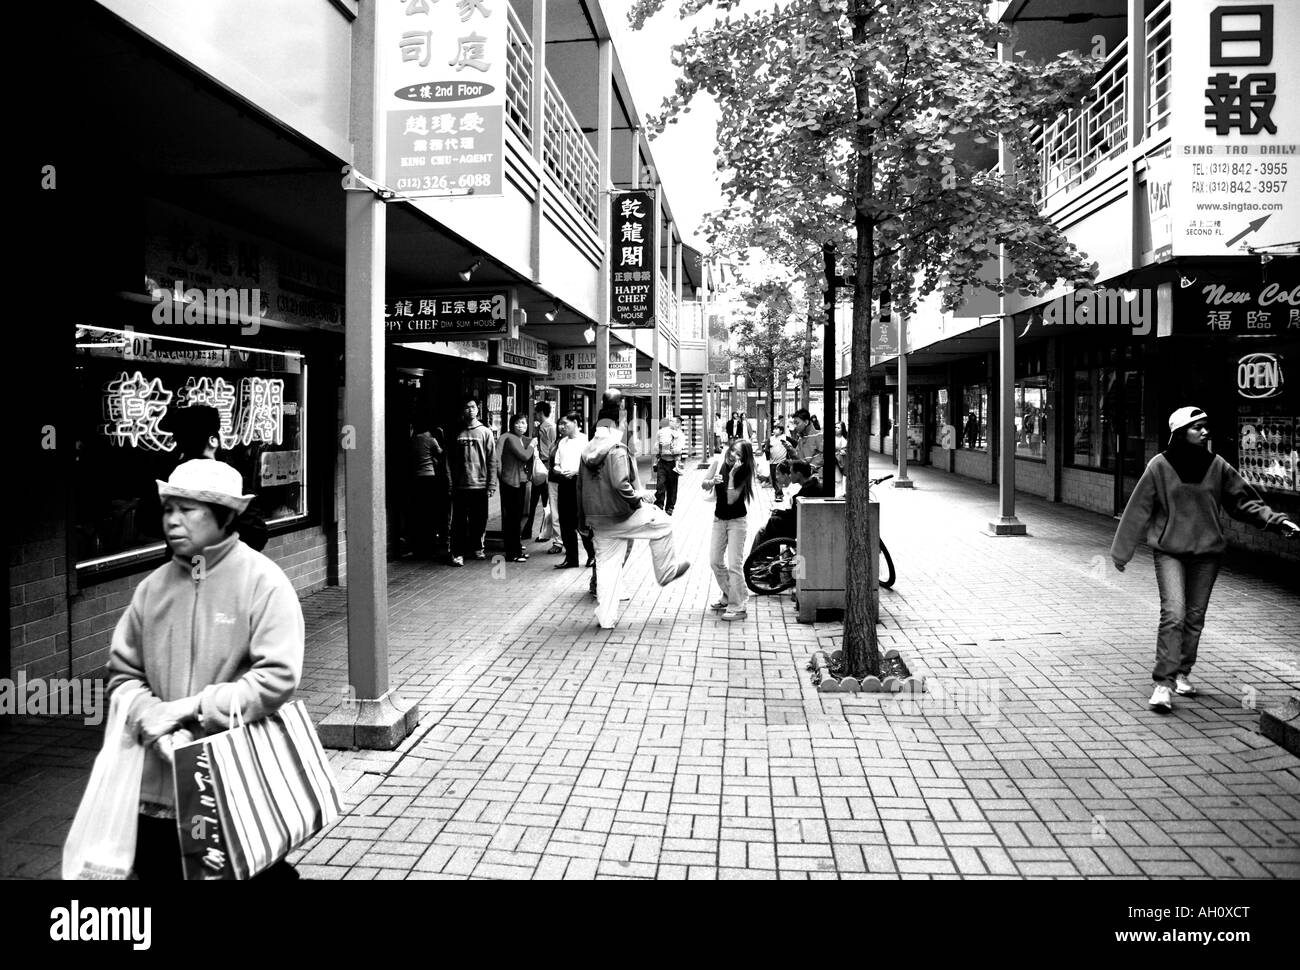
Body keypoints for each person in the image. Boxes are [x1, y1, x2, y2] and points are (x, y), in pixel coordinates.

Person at [106, 458, 305, 880]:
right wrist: (152, 720)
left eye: (187, 509)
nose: (172, 521)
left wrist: (194, 709)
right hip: (155, 794)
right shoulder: (151, 589)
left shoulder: (263, 582)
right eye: (168, 509)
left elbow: (277, 677)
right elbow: (123, 676)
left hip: (234, 784)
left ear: (224, 515)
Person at [1111, 407, 1299, 712]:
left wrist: (1277, 521)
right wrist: (1122, 553)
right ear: (1180, 431)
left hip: (1206, 555)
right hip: (1170, 551)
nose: (1205, 432)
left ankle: (1182, 672)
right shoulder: (1158, 466)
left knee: (1194, 617)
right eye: (1197, 427)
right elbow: (1138, 510)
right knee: (1174, 613)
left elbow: (1244, 502)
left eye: (1205, 427)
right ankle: (1163, 684)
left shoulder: (1217, 466)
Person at [578, 390, 690, 629]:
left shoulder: (587, 450)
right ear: (617, 424)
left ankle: (606, 619)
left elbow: (580, 488)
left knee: (607, 567)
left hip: (598, 521)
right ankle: (666, 571)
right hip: (621, 514)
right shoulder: (616, 449)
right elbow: (621, 483)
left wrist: (582, 520)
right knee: (663, 523)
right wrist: (639, 500)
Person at [160, 405, 270, 552]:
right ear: (213, 440)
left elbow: (148, 523)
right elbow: (256, 534)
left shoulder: (173, 476)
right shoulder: (226, 477)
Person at [704, 438, 757, 621]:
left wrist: (732, 476)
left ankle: (739, 605)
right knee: (715, 561)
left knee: (735, 564)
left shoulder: (744, 471)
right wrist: (711, 482)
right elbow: (703, 484)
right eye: (733, 450)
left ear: (744, 458)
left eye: (739, 454)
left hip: (737, 522)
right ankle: (729, 595)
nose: (733, 455)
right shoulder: (718, 462)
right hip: (719, 520)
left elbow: (731, 499)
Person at [448, 398, 498, 566]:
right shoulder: (457, 432)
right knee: (459, 521)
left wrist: (491, 484)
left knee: (479, 519)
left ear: (478, 409)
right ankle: (457, 553)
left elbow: (492, 460)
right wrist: (451, 481)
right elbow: (451, 459)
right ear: (463, 410)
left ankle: (477, 547)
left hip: (480, 483)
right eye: (467, 407)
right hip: (461, 484)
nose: (470, 410)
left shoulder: (485, 432)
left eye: (473, 407)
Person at [551, 411, 596, 569]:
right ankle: (571, 558)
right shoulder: (562, 442)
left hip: (580, 483)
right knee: (565, 522)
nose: (561, 427)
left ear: (576, 423)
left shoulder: (586, 440)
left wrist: (576, 471)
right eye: (560, 424)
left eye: (565, 424)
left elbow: (592, 463)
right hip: (564, 483)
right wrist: (558, 470)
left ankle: (592, 555)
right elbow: (556, 463)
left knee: (582, 521)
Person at [752, 459, 822, 547]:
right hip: (803, 523)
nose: (790, 475)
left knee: (769, 525)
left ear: (798, 474)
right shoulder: (811, 486)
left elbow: (795, 516)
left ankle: (764, 555)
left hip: (800, 527)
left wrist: (780, 513)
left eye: (791, 473)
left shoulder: (805, 491)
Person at [496, 414, 536, 563]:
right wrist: (532, 446)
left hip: (517, 482)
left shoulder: (515, 438)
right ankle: (512, 553)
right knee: (512, 518)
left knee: (516, 517)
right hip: (511, 483)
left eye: (524, 423)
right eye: (518, 423)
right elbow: (524, 456)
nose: (521, 426)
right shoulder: (510, 438)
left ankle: (516, 549)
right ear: (512, 424)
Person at [409, 418, 450, 559]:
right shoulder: (431, 439)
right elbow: (441, 453)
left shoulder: (414, 439)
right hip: (430, 477)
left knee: (420, 512)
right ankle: (431, 544)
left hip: (416, 477)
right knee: (431, 511)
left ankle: (419, 545)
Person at [524, 401, 559, 545]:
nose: (534, 415)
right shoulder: (543, 428)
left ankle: (540, 532)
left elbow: (551, 449)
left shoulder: (549, 428)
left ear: (540, 413)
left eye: (535, 413)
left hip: (544, 468)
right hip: (541, 468)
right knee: (538, 502)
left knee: (543, 502)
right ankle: (532, 531)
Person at [654, 415, 687, 515]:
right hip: (662, 461)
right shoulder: (661, 432)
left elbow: (679, 449)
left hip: (673, 463)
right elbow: (656, 446)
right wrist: (660, 448)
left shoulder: (681, 435)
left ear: (678, 424)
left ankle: (670, 507)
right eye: (670, 420)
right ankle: (659, 505)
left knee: (672, 487)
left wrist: (669, 448)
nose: (670, 422)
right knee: (660, 484)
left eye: (673, 421)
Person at [789, 408, 825, 477]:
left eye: (797, 423)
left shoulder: (818, 436)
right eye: (794, 424)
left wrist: (812, 466)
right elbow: (799, 458)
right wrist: (791, 451)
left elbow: (822, 455)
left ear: (806, 422)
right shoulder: (800, 438)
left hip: (816, 476)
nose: (795, 426)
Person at [767, 422, 789, 500]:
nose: (774, 430)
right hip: (772, 462)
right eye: (774, 428)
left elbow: (795, 444)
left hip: (782, 462)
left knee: (778, 478)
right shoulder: (770, 439)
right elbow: (766, 448)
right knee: (773, 479)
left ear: (781, 431)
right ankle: (778, 493)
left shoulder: (785, 438)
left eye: (777, 429)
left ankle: (779, 494)